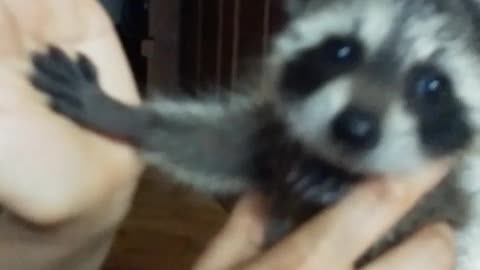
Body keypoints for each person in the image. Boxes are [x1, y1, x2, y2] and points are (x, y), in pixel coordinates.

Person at [0, 0, 455, 269]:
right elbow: (220, 139)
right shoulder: (279, 129)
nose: (362, 116)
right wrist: (103, 112)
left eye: (429, 87)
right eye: (342, 52)